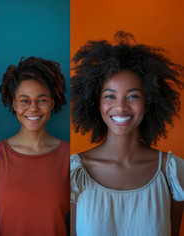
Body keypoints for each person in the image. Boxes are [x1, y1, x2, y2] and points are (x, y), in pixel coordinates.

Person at [70, 31, 184, 236]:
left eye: (132, 96)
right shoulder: (75, 173)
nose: (121, 107)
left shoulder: (172, 173)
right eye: (110, 96)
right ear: (96, 102)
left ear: (148, 102)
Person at [0, 57, 69, 235]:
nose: (33, 108)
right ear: (14, 105)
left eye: (42, 100)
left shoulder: (70, 158)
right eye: (24, 100)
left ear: (52, 103)